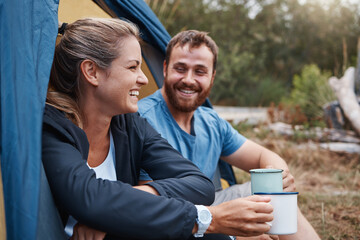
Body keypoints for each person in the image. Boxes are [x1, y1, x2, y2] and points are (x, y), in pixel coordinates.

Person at [42, 18, 275, 240]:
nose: (143, 79)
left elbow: (200, 184)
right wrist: (206, 218)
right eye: (133, 67)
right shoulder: (53, 127)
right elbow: (89, 198)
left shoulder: (129, 124)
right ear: (92, 71)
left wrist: (114, 211)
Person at [138, 30, 320, 240]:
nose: (188, 80)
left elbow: (262, 156)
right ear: (164, 69)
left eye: (200, 71)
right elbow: (153, 206)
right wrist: (236, 234)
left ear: (212, 77)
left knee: (275, 199)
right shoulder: (144, 118)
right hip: (174, 218)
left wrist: (279, 178)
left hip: (212, 204)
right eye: (180, 69)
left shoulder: (211, 121)